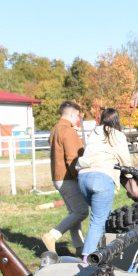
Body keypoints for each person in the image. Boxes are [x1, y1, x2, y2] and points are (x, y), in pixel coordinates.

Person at [76, 107, 136, 256]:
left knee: (104, 215)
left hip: (83, 177)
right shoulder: (117, 135)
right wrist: (130, 177)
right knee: (97, 221)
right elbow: (125, 161)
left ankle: (104, 251)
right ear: (117, 120)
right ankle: (88, 258)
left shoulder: (94, 133)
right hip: (102, 177)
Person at [41, 101, 87, 255]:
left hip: (58, 176)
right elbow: (73, 159)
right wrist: (78, 178)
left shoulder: (55, 129)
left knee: (74, 212)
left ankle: (80, 247)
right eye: (77, 116)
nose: (77, 120)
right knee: (81, 212)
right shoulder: (68, 131)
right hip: (68, 177)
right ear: (72, 114)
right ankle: (52, 235)